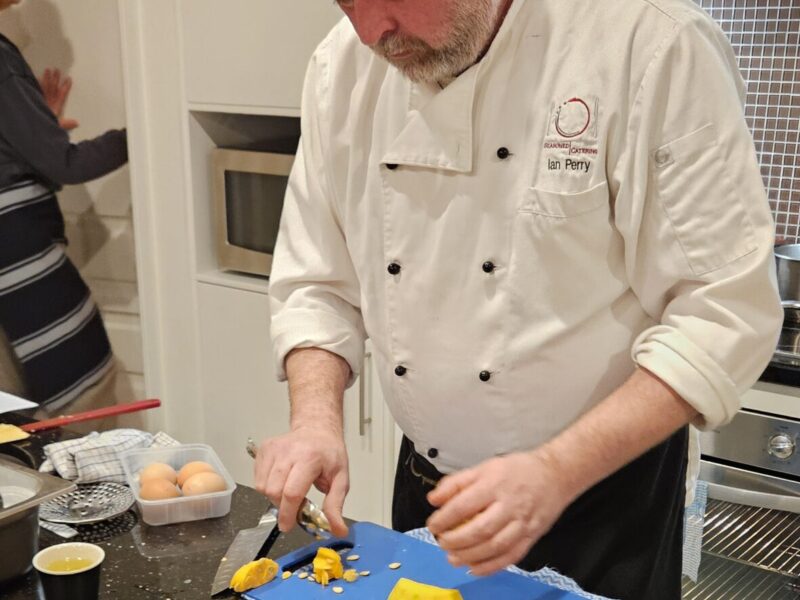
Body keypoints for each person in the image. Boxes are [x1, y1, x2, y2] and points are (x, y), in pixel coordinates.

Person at [254, 0, 783, 597]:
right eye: (349, 2)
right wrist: (316, 420)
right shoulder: (340, 66)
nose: (374, 32)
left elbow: (723, 310)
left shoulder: (650, 43)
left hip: (605, 500)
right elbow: (318, 281)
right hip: (431, 491)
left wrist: (556, 470)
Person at [0, 0, 128, 422]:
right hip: (17, 254)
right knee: (87, 399)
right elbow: (65, 165)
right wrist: (144, 130)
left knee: (14, 414)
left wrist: (35, 133)